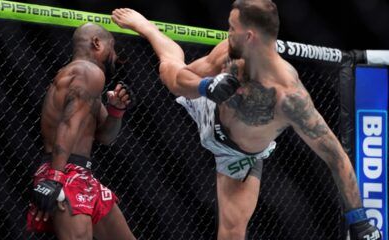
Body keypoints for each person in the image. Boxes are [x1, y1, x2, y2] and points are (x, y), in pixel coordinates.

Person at [112, 2, 382, 240]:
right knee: (169, 66)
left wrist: (358, 219)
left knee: (233, 230)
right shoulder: (230, 53)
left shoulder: (290, 98)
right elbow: (180, 81)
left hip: (237, 153)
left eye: (231, 27)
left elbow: (335, 156)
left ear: (249, 36)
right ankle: (148, 28)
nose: (227, 33)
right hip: (210, 102)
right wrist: (207, 87)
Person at [27, 23, 136, 240]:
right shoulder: (88, 72)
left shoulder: (84, 79)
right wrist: (55, 177)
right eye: (111, 47)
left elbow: (106, 137)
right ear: (97, 43)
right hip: (64, 172)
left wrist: (116, 110)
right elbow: (69, 124)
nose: (114, 56)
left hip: (82, 174)